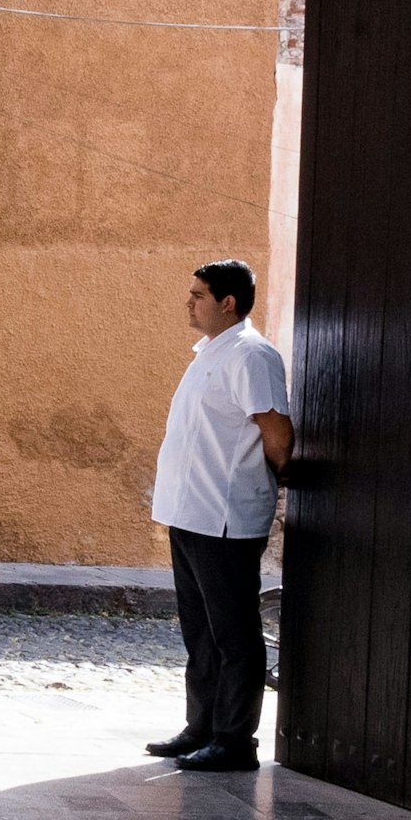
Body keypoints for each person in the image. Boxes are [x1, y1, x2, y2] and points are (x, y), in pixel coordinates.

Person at [147, 259, 291, 772]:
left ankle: (235, 740)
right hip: (190, 513)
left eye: (198, 294)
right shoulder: (211, 352)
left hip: (225, 516)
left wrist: (271, 479)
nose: (189, 302)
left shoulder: (252, 356)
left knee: (233, 632)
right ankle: (202, 726)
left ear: (228, 302)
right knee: (200, 631)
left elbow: (275, 433)